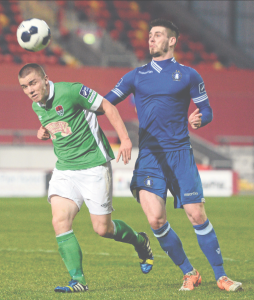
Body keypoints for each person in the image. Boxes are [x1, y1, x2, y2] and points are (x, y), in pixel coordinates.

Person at [103, 19, 242, 292]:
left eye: (157, 35)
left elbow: (208, 111)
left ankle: (221, 276)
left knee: (196, 214)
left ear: (172, 40)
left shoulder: (189, 75)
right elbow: (103, 103)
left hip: (180, 154)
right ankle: (189, 272)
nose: (151, 39)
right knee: (155, 219)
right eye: (150, 35)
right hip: (150, 157)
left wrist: (200, 119)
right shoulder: (135, 76)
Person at [18, 63, 154, 293]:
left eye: (33, 83)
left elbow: (108, 106)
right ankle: (77, 280)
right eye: (24, 86)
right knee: (59, 221)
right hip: (65, 169)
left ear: (45, 79)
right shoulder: (37, 106)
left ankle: (140, 242)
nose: (30, 90)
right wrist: (43, 132)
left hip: (93, 166)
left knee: (103, 229)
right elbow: (57, 126)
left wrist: (125, 139)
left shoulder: (72, 91)